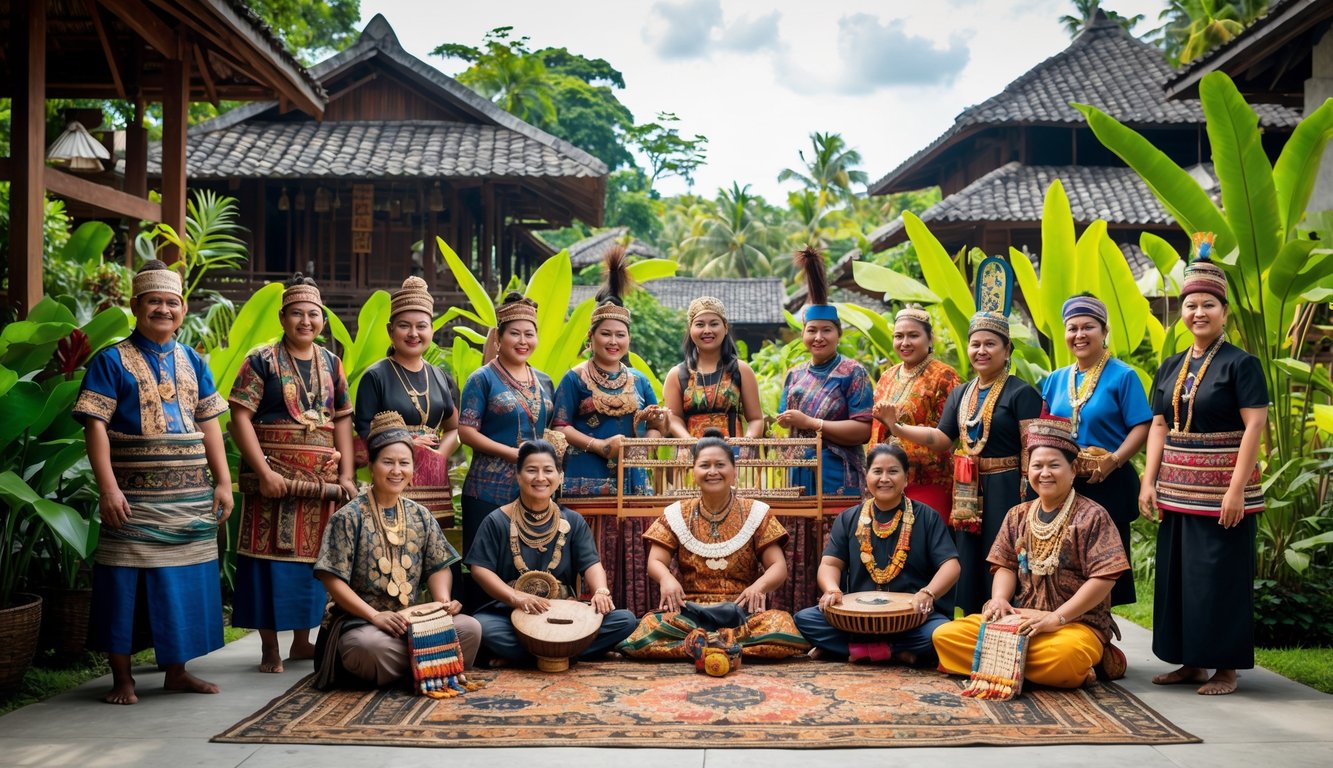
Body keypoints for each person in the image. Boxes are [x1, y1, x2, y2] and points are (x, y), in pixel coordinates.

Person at [73, 260, 232, 705]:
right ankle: (121, 678)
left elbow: (210, 423)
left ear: (182, 310)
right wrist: (108, 488)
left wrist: (223, 481)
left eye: (172, 302)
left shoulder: (193, 360)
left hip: (190, 497)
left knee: (183, 582)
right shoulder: (110, 360)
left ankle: (178, 672)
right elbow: (95, 427)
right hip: (133, 496)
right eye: (155, 302)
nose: (164, 309)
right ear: (136, 306)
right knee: (123, 583)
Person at [1139, 234, 1268, 696]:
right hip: (1176, 489)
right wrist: (1148, 482)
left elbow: (1254, 427)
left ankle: (1226, 668)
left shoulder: (1242, 365)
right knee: (1180, 577)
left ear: (1224, 312)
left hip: (1222, 491)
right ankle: (1191, 661)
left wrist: (1235, 489)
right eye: (1191, 304)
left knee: (1220, 577)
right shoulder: (1171, 364)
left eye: (1208, 305)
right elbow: (1159, 424)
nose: (1198, 313)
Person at [880, 256, 1043, 614]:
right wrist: (897, 428)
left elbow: (1034, 453)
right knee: (968, 557)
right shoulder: (962, 393)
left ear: (1007, 350)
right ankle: (970, 626)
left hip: (1006, 488)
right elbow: (942, 439)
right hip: (968, 490)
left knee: (1005, 556)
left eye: (990, 345)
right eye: (975, 345)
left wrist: (1030, 499)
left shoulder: (1021, 393)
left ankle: (1008, 627)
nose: (981, 351)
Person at [934, 417, 1130, 689]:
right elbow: (1004, 565)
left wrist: (1055, 618)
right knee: (945, 635)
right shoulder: (1018, 514)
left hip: (1072, 625)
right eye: (1037, 465)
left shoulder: (1093, 515)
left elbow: (1104, 578)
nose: (1045, 473)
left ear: (1073, 470)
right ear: (1029, 471)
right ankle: (1056, 674)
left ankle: (1009, 665)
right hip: (1020, 621)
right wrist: (1000, 600)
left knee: (1065, 656)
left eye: (1054, 465)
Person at [228, 274, 356, 674]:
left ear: (322, 320)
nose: (306, 321)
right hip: (275, 480)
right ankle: (269, 647)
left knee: (314, 563)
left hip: (320, 482)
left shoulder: (332, 363)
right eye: (297, 313)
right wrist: (264, 471)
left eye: (313, 314)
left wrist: (347, 475)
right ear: (283, 318)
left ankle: (303, 642)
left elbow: (342, 423)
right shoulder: (261, 360)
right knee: (267, 560)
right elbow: (239, 418)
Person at [312, 412, 482, 689]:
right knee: (366, 648)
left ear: (413, 469)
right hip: (362, 623)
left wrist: (442, 603)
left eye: (404, 463)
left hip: (410, 622)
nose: (396, 471)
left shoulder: (421, 515)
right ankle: (431, 664)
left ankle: (418, 666)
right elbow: (332, 579)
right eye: (387, 462)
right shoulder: (348, 517)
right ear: (372, 465)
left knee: (470, 629)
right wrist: (374, 616)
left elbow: (438, 564)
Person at [619, 429, 810, 659]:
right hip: (690, 612)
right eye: (704, 465)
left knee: (779, 625)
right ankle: (725, 644)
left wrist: (758, 587)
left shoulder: (755, 511)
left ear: (733, 471)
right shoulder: (678, 512)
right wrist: (666, 579)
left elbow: (778, 566)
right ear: (693, 471)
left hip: (741, 612)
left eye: (720, 465)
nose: (712, 472)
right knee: (650, 627)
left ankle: (700, 645)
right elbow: (656, 561)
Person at [466, 440, 636, 666]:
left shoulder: (572, 521)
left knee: (625, 620)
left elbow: (591, 563)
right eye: (531, 470)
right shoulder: (497, 520)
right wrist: (517, 597)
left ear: (560, 476)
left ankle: (529, 655)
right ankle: (572, 651)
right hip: (512, 612)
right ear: (518, 476)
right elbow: (480, 569)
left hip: (565, 614)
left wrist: (601, 592)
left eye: (548, 470)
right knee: (483, 628)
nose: (540, 478)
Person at [794, 443, 960, 664]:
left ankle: (853, 650)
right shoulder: (848, 518)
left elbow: (951, 565)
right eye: (877, 471)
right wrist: (832, 589)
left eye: (893, 471)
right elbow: (830, 564)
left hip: (914, 619)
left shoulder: (927, 517)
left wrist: (928, 593)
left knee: (941, 633)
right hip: (858, 621)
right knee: (805, 619)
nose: (884, 478)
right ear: (866, 475)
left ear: (906, 478)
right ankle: (895, 652)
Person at [1040, 293, 1151, 606]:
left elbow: (1141, 426)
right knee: (1064, 561)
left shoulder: (1123, 376)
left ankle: (1103, 635)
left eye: (1088, 327)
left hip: (1108, 481)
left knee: (1104, 562)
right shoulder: (1055, 379)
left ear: (1104, 331)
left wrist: (1113, 461)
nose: (1079, 335)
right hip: (1064, 484)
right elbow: (1045, 428)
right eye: (1072, 328)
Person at [554, 247, 666, 496]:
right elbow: (560, 426)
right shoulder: (574, 379)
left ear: (629, 338)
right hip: (585, 476)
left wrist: (648, 440)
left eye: (620, 334)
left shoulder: (639, 380)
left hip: (632, 476)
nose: (613, 341)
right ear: (590, 337)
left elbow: (657, 423)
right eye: (605, 334)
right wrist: (600, 445)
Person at [354, 276, 460, 525]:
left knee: (435, 549)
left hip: (434, 481)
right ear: (391, 331)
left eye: (421, 326)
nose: (413, 333)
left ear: (431, 330)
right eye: (404, 326)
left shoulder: (439, 376)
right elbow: (364, 431)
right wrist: (409, 444)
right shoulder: (375, 376)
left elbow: (454, 427)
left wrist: (438, 457)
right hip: (394, 475)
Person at [458, 292, 554, 562]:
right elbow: (466, 432)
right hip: (487, 489)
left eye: (529, 334)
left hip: (535, 488)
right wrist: (513, 454)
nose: (523, 341)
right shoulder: (482, 379)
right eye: (515, 334)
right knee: (487, 564)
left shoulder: (545, 381)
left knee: (530, 564)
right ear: (498, 339)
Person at [774, 246, 874, 497]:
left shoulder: (853, 372)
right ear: (803, 334)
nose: (819, 337)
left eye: (826, 330)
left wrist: (811, 423)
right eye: (812, 330)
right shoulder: (794, 374)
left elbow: (863, 431)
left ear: (838, 334)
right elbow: (784, 426)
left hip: (838, 473)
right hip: (797, 472)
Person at [868, 306, 963, 521]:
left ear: (929, 340)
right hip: (887, 481)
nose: (905, 342)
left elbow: (947, 437)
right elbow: (876, 432)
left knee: (923, 544)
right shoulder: (887, 377)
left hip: (929, 480)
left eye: (913, 335)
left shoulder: (944, 376)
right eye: (899, 336)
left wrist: (897, 427)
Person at [662, 296, 765, 439]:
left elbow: (756, 419)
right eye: (699, 324)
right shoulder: (678, 375)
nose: (707, 330)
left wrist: (744, 444)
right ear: (690, 329)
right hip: (692, 457)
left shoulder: (741, 370)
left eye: (714, 324)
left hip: (732, 456)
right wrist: (690, 442)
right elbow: (674, 418)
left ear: (725, 328)